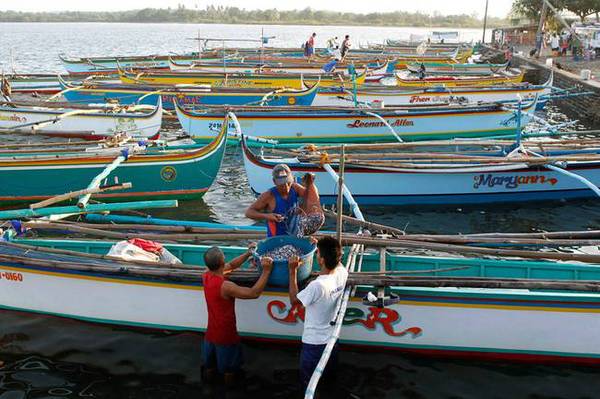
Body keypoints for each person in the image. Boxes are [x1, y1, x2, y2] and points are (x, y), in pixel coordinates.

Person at [202, 244, 274, 384]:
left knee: (209, 366)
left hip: (210, 334)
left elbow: (231, 265)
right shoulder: (226, 286)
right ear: (222, 262)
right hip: (226, 336)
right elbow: (254, 293)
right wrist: (266, 271)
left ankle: (207, 388)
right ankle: (229, 391)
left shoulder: (205, 275)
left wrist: (248, 253)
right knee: (229, 370)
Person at [288, 236, 348, 391]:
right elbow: (337, 261)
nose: (316, 256)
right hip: (332, 341)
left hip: (314, 344)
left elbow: (295, 301)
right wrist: (319, 245)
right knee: (328, 381)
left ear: (321, 259)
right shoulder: (342, 273)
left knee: (310, 386)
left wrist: (292, 270)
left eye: (317, 254)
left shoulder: (317, 286)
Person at [245, 164, 323, 237]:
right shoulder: (268, 196)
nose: (286, 187)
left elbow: (313, 198)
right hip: (277, 238)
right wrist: (267, 216)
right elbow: (249, 213)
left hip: (295, 235)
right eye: (281, 184)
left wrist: (310, 183)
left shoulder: (295, 188)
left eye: (288, 183)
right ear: (274, 182)